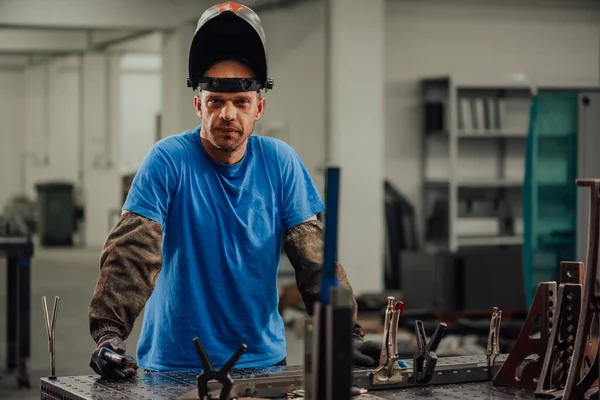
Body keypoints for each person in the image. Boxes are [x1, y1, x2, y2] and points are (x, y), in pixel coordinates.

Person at [88, 1, 382, 380]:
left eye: (241, 102)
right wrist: (109, 334)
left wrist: (344, 333)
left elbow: (315, 262)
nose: (228, 114)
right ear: (198, 104)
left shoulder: (281, 162)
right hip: (174, 364)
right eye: (216, 102)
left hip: (261, 362)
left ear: (258, 107)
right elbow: (132, 251)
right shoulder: (167, 160)